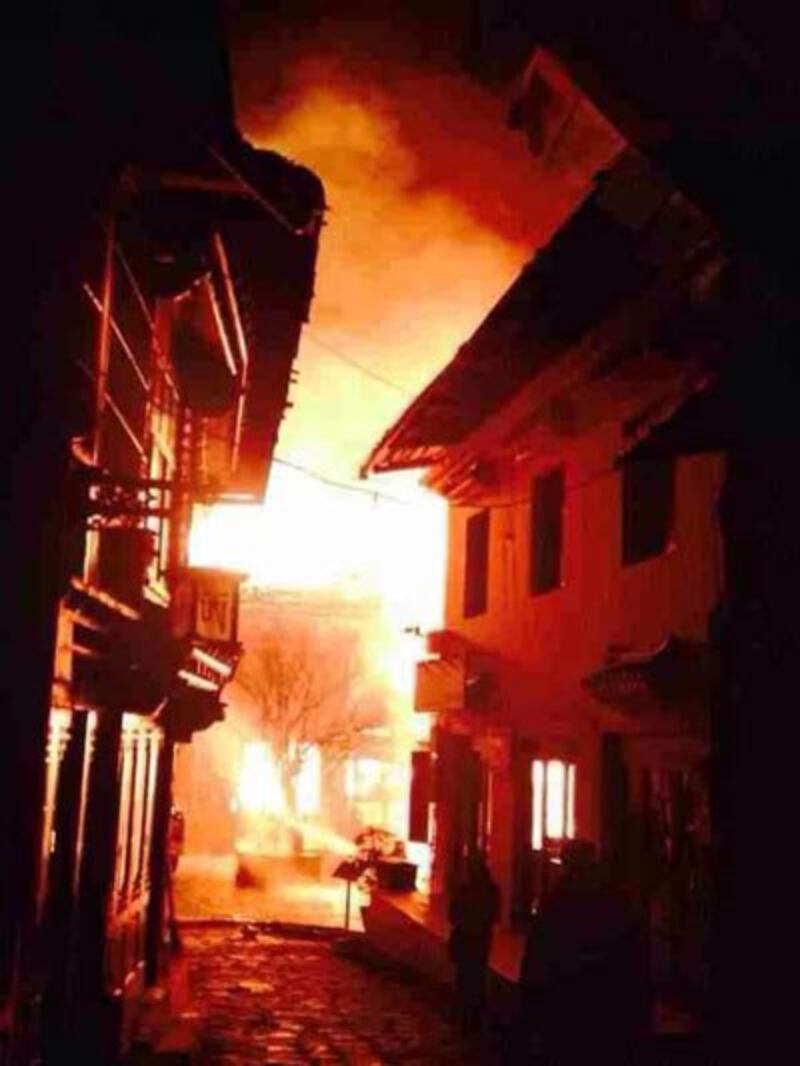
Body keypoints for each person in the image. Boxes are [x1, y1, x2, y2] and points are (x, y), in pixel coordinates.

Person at [518, 839, 650, 1065]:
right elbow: (632, 949)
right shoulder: (614, 897)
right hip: (605, 999)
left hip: (567, 997)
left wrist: (531, 997)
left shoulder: (557, 900)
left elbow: (540, 951)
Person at [448, 850, 501, 1034]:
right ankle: (476, 1016)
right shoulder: (492, 889)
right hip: (481, 940)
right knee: (477, 976)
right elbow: (495, 915)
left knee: (465, 977)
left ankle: (466, 1017)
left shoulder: (465, 889)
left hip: (467, 939)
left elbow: (453, 915)